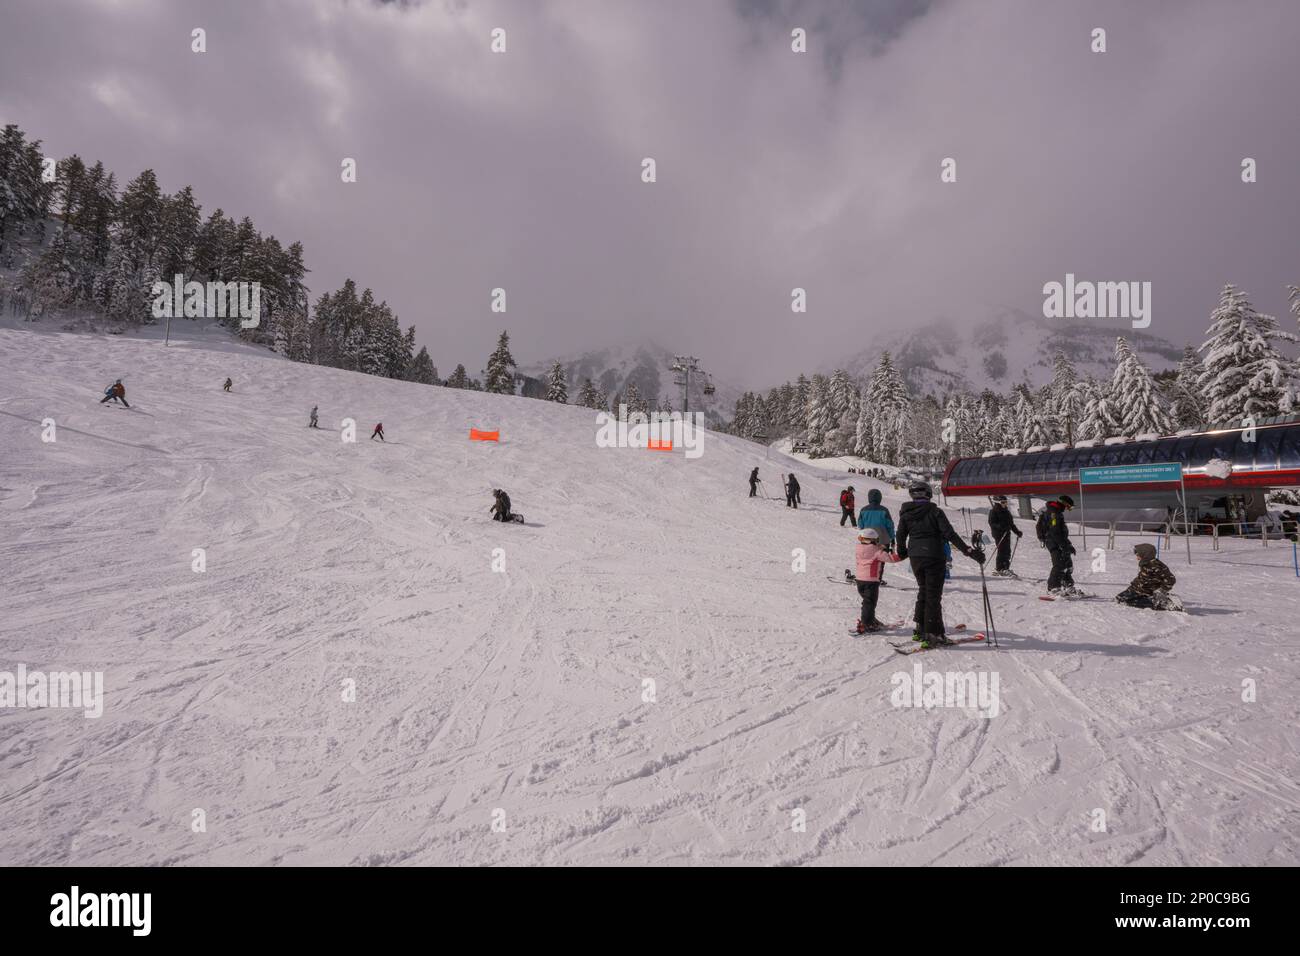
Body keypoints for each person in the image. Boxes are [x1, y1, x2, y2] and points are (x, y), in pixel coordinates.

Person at [896, 480, 984, 647]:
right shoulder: (935, 512)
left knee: (924, 591)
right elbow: (950, 534)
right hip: (934, 556)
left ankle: (921, 628)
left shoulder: (906, 513)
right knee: (933, 595)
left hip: (916, 557)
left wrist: (902, 551)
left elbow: (900, 535)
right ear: (928, 494)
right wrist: (969, 551)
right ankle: (934, 633)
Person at [853, 526, 902, 633]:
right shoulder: (877, 552)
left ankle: (869, 619)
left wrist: (878, 547)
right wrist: (904, 554)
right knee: (870, 603)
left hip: (860, 580)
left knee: (867, 602)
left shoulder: (859, 549)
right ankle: (867, 624)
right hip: (871, 581)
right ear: (874, 540)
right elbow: (891, 559)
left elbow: (868, 550)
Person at [1116, 543, 1181, 610]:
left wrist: (1161, 590)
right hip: (1138, 590)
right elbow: (1141, 578)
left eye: (1138, 555)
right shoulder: (1145, 564)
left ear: (1145, 555)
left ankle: (1163, 604)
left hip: (1149, 591)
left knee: (1128, 602)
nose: (1137, 557)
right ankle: (1149, 599)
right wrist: (1131, 588)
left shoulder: (1156, 566)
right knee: (1120, 598)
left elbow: (1171, 579)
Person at [1039, 494, 1078, 595]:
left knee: (1067, 563)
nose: (1068, 509)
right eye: (1069, 507)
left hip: (1059, 541)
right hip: (1053, 542)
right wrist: (1064, 545)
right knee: (1059, 564)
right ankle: (1053, 587)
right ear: (1064, 504)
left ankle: (1068, 585)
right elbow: (1055, 532)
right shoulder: (1053, 513)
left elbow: (1060, 533)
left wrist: (1068, 545)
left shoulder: (1057, 512)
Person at [857, 488, 896, 584]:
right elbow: (890, 525)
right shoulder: (884, 510)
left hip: (867, 538)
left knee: (867, 558)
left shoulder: (863, 510)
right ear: (880, 498)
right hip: (882, 538)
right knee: (880, 560)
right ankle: (877, 578)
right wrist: (892, 538)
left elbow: (860, 524)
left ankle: (865, 577)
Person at [987, 494, 1023, 577]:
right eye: (1003, 502)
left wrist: (1017, 532)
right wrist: (1001, 527)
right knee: (1002, 551)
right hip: (998, 534)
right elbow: (992, 523)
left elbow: (1011, 524)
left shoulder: (1006, 512)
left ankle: (1005, 567)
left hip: (1007, 533)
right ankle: (1000, 568)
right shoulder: (993, 511)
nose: (1005, 504)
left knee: (1007, 551)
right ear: (997, 503)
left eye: (1006, 502)